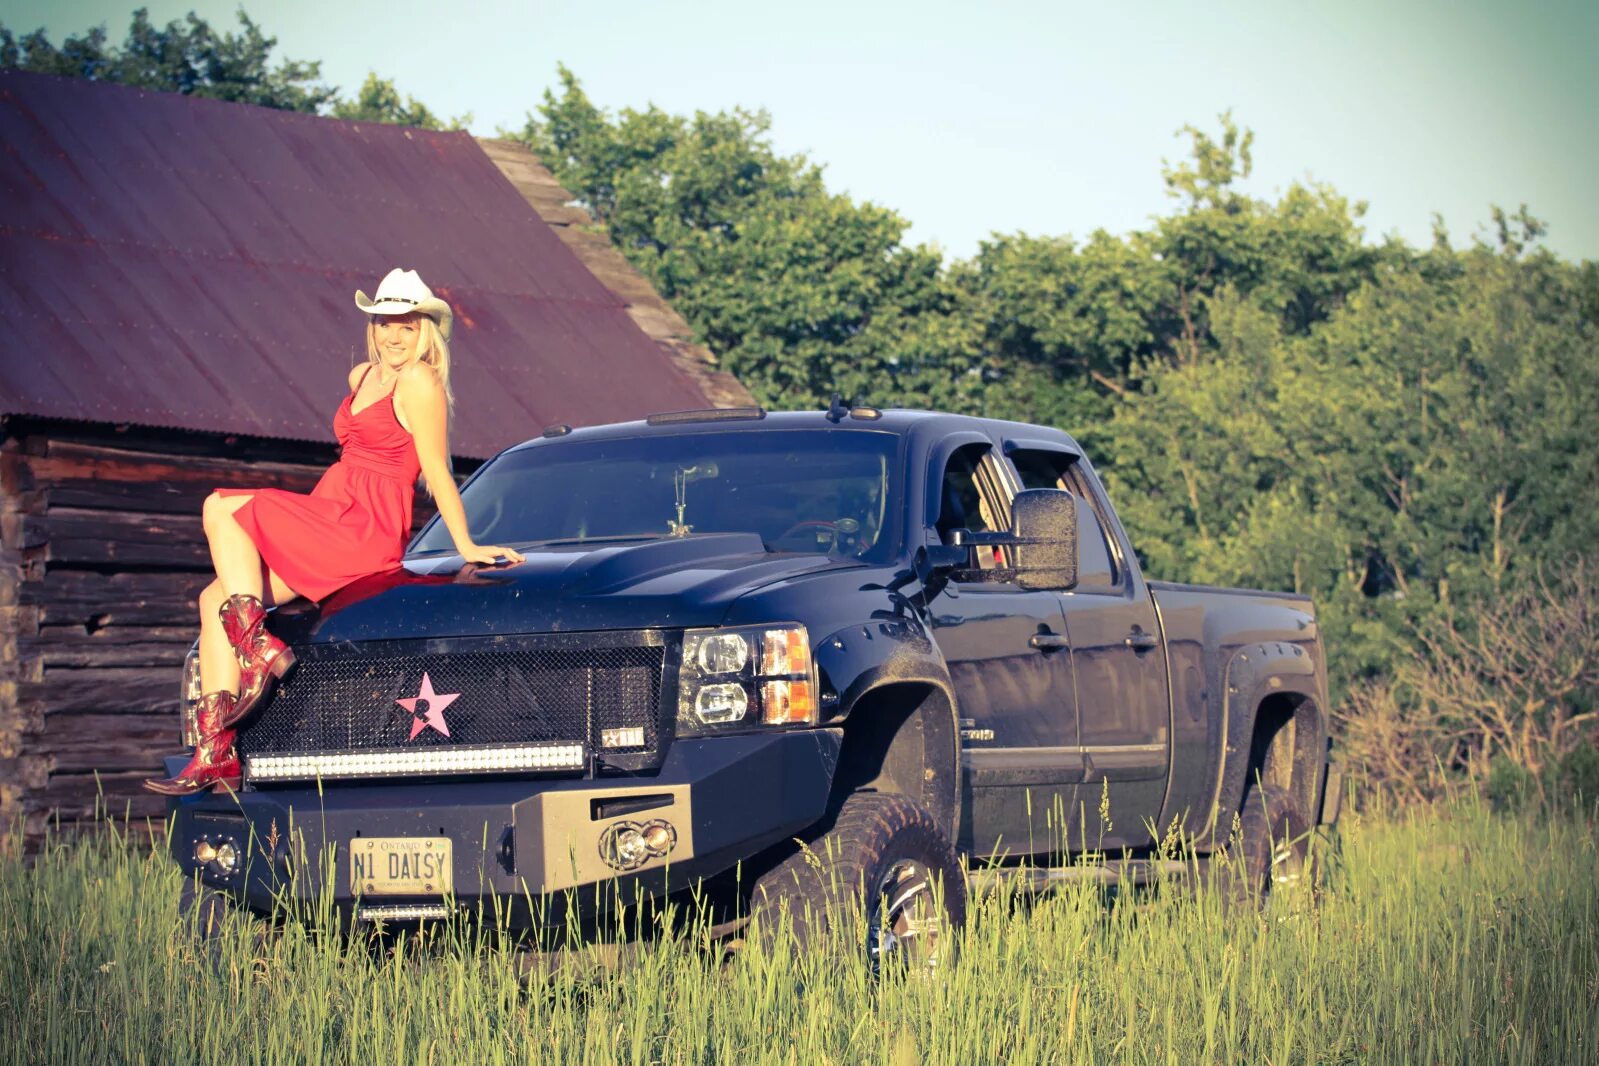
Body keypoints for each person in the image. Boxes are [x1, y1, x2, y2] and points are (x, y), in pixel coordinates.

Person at [145, 269, 526, 795]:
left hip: (364, 525)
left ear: (425, 332)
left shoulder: (420, 381)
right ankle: (217, 752)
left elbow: (436, 468)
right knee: (214, 599)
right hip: (331, 509)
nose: (394, 336)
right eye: (385, 323)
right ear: (372, 326)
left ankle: (256, 645)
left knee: (221, 507)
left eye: (406, 325)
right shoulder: (361, 377)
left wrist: (467, 544)